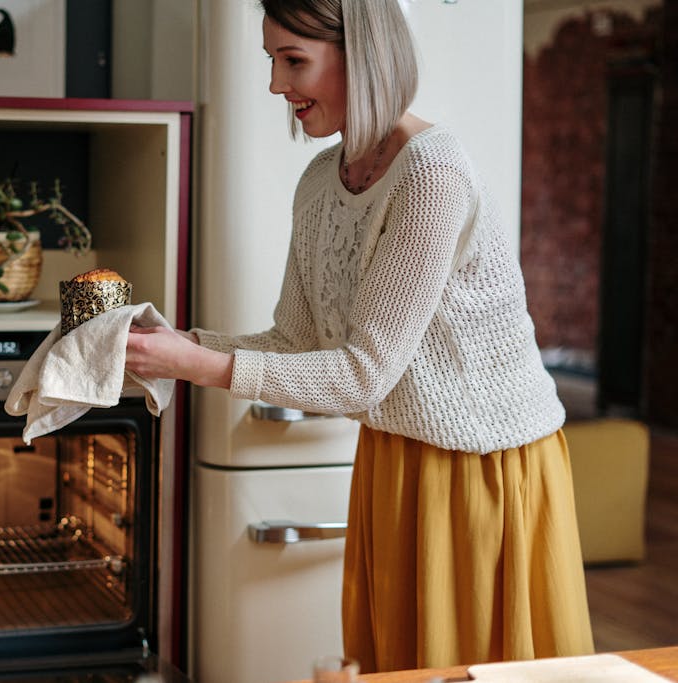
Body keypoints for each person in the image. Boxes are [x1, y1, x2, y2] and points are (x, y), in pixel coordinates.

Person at [125, 0, 595, 673]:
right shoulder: (322, 181)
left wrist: (196, 364)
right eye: (271, 60)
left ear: (363, 55)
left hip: (480, 470)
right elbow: (294, 339)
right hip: (396, 460)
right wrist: (174, 342)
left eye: (294, 61)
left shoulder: (432, 173)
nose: (275, 85)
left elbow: (362, 374)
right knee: (396, 661)